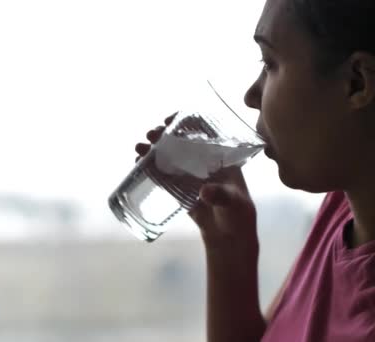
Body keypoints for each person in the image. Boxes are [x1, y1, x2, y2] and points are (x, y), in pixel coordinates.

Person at [135, 0, 375, 341]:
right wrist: (229, 248)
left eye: (269, 62)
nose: (251, 95)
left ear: (356, 83)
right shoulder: (345, 205)